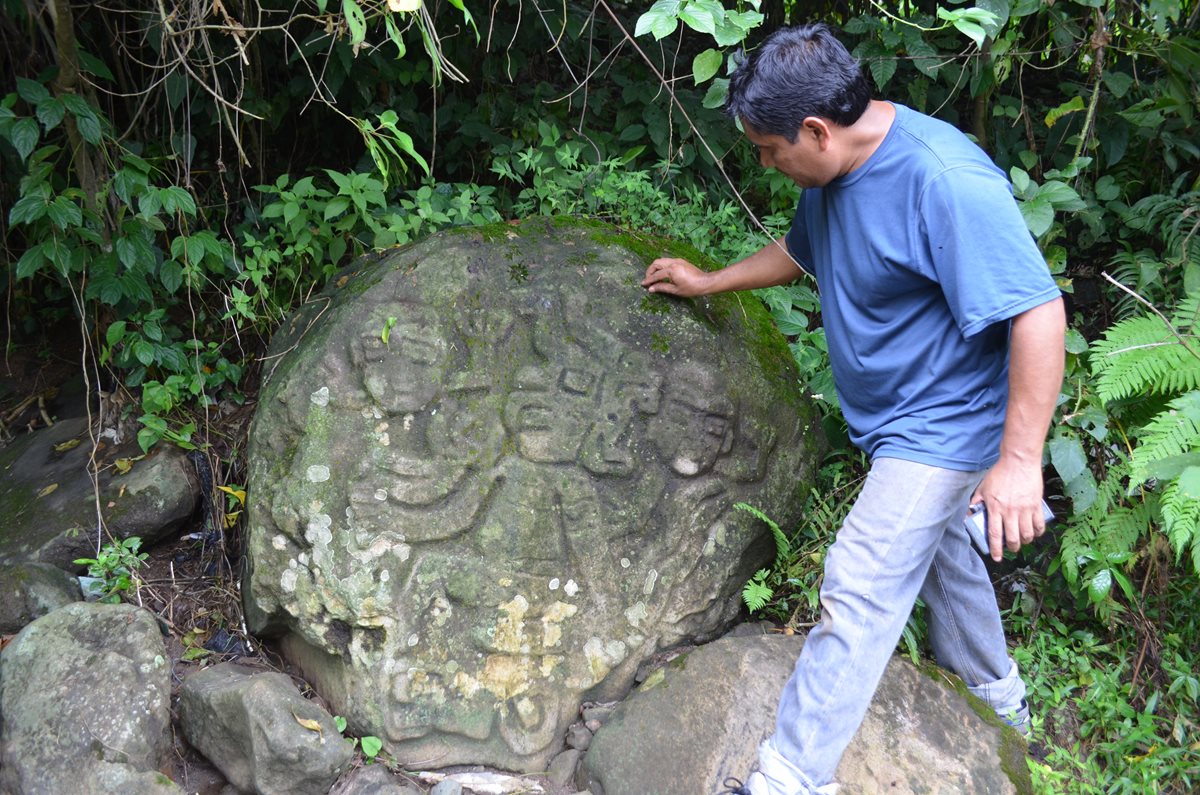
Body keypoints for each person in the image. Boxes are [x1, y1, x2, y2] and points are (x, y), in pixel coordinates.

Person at [640, 23, 1066, 795]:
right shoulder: (833, 171)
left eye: (770, 150)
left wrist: (1019, 462)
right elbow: (805, 253)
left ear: (815, 129)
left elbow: (1039, 312)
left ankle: (789, 778)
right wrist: (711, 282)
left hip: (945, 425)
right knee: (945, 562)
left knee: (860, 582)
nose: (767, 165)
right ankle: (1005, 710)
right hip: (897, 422)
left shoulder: (944, 180)